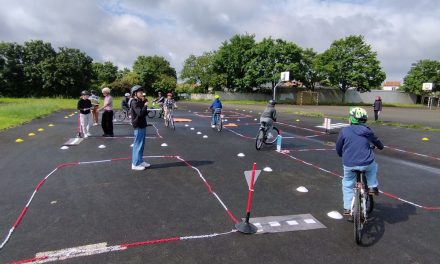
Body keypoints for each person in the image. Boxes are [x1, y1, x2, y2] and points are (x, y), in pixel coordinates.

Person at [336, 107, 384, 218]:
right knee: (372, 168)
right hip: (366, 162)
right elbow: (376, 140)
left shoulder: (344, 131)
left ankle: (347, 208)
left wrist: (340, 154)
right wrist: (380, 147)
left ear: (351, 119)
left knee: (348, 184)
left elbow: (339, 146)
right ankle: (372, 186)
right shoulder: (367, 130)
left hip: (349, 163)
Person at [129, 85, 151, 171]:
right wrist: (145, 105)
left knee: (141, 144)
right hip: (138, 125)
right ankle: (135, 163)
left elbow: (144, 113)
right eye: (140, 92)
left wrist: (145, 105)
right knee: (138, 144)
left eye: (142, 92)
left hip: (142, 124)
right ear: (135, 93)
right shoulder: (134, 102)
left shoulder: (139, 101)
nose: (142, 94)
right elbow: (140, 113)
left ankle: (140, 161)